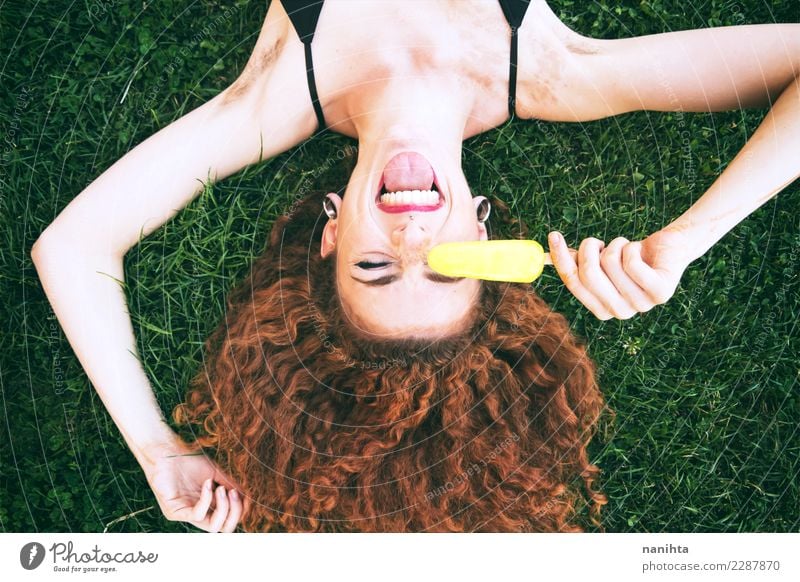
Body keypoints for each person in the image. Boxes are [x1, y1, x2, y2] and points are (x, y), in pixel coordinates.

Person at [30, 0, 800, 531]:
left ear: (330, 235)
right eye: (444, 268)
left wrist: (159, 450)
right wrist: (685, 245)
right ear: (484, 229)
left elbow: (71, 247)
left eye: (373, 269)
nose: (410, 244)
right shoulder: (553, 70)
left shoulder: (274, 99)